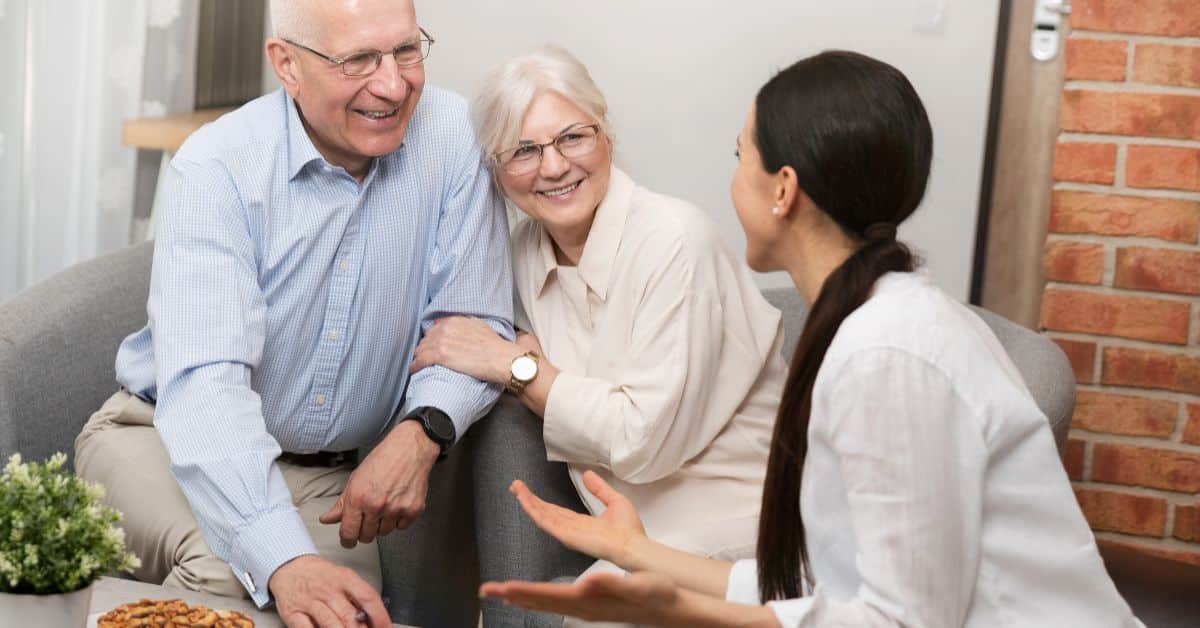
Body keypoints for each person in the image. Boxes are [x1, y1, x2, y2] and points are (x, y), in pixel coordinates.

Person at [479, 50, 1143, 628]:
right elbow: (828, 585)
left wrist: (681, 609)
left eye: (741, 160)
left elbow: (901, 621)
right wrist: (643, 555)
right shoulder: (871, 322)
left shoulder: (890, 354)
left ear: (783, 191)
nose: (731, 185)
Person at [72, 0, 513, 626]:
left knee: (344, 613)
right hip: (156, 437)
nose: (392, 85)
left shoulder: (455, 138)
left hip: (327, 479)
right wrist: (282, 559)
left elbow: (471, 325)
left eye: (406, 50)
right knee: (232, 572)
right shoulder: (216, 166)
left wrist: (421, 433)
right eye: (358, 59)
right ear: (287, 65)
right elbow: (206, 392)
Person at [408, 47, 788, 626]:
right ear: (494, 170)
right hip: (630, 532)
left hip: (739, 524)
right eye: (524, 151)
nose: (554, 166)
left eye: (572, 138)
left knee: (589, 612)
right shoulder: (518, 255)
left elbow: (642, 440)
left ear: (606, 133)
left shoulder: (674, 240)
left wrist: (519, 368)